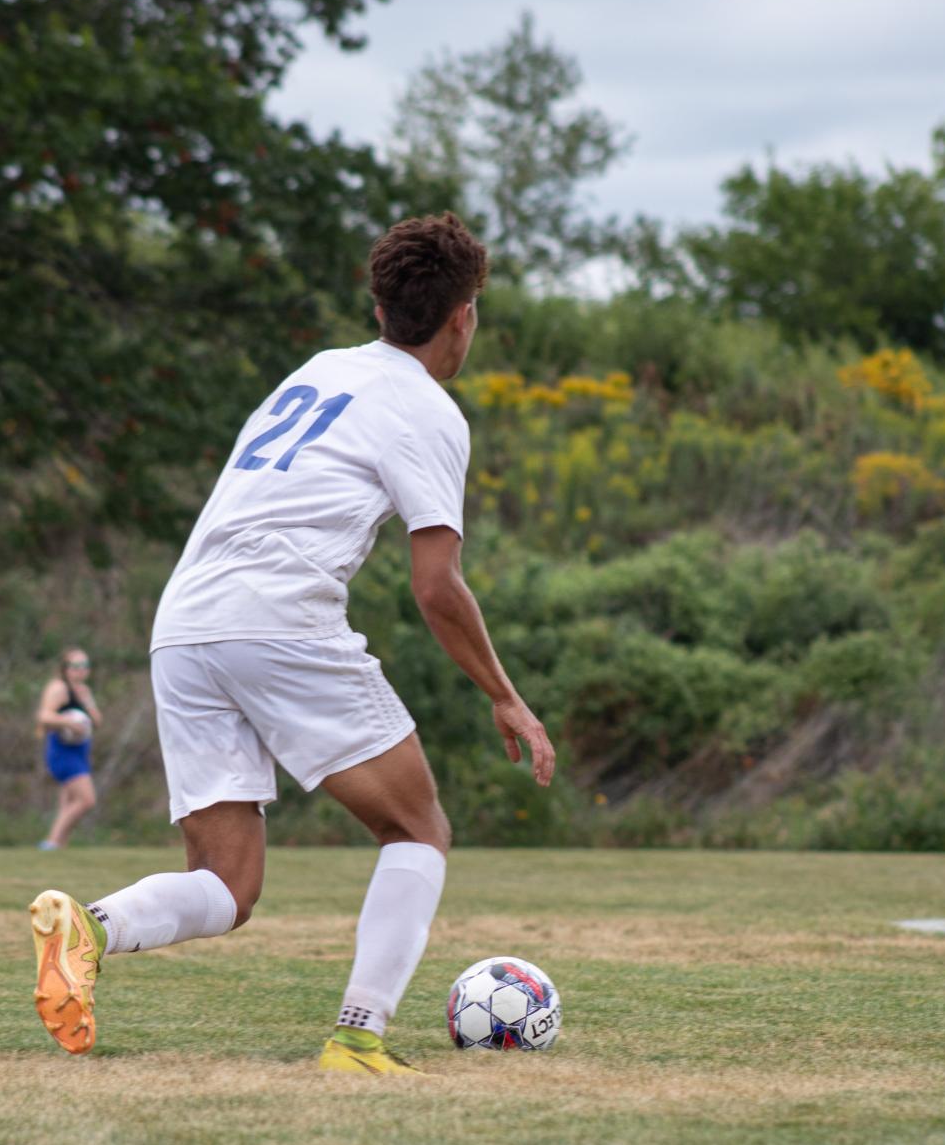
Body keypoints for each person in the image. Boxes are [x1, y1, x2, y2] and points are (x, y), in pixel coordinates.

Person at [28, 213, 555, 1074]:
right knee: (417, 827)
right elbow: (436, 585)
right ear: (462, 316)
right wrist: (503, 693)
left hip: (186, 622)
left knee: (227, 886)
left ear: (380, 305)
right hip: (276, 619)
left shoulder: (318, 372)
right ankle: (358, 1035)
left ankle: (89, 928)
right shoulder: (428, 409)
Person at [36, 647, 101, 850]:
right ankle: (52, 842)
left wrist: (86, 701)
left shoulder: (84, 691)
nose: (80, 671)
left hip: (80, 750)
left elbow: (97, 721)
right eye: (75, 666)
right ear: (65, 668)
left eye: (85, 666)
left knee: (68, 802)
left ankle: (58, 845)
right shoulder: (58, 688)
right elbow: (44, 716)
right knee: (87, 800)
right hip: (62, 750)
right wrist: (68, 723)